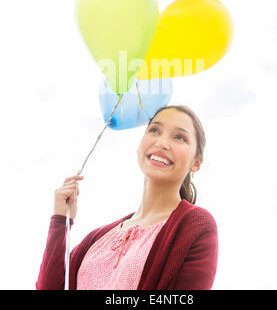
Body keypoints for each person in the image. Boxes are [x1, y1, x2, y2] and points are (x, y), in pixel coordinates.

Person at [36, 104, 218, 290]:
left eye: (180, 137)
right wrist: (60, 220)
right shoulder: (96, 239)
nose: (162, 143)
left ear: (196, 163)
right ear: (139, 148)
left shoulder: (196, 225)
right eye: (154, 130)